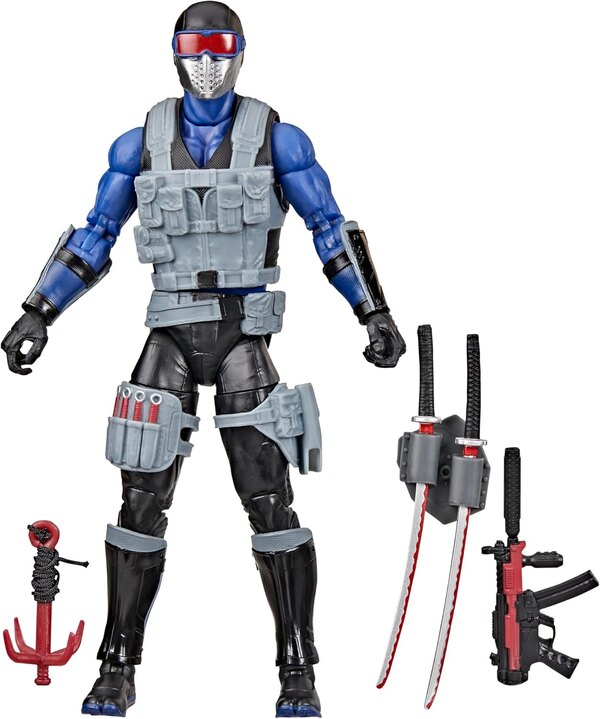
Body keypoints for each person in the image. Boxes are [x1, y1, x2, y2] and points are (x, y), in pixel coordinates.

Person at [2, 3, 405, 716]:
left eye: (220, 50)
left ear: (241, 53)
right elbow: (95, 234)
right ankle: (117, 665)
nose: (208, 66)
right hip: (170, 333)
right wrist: (39, 310)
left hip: (245, 332)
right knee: (139, 503)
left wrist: (371, 310)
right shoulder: (140, 143)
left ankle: (297, 669)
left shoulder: (279, 138)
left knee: (271, 502)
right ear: (175, 54)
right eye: (196, 50)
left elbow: (328, 227)